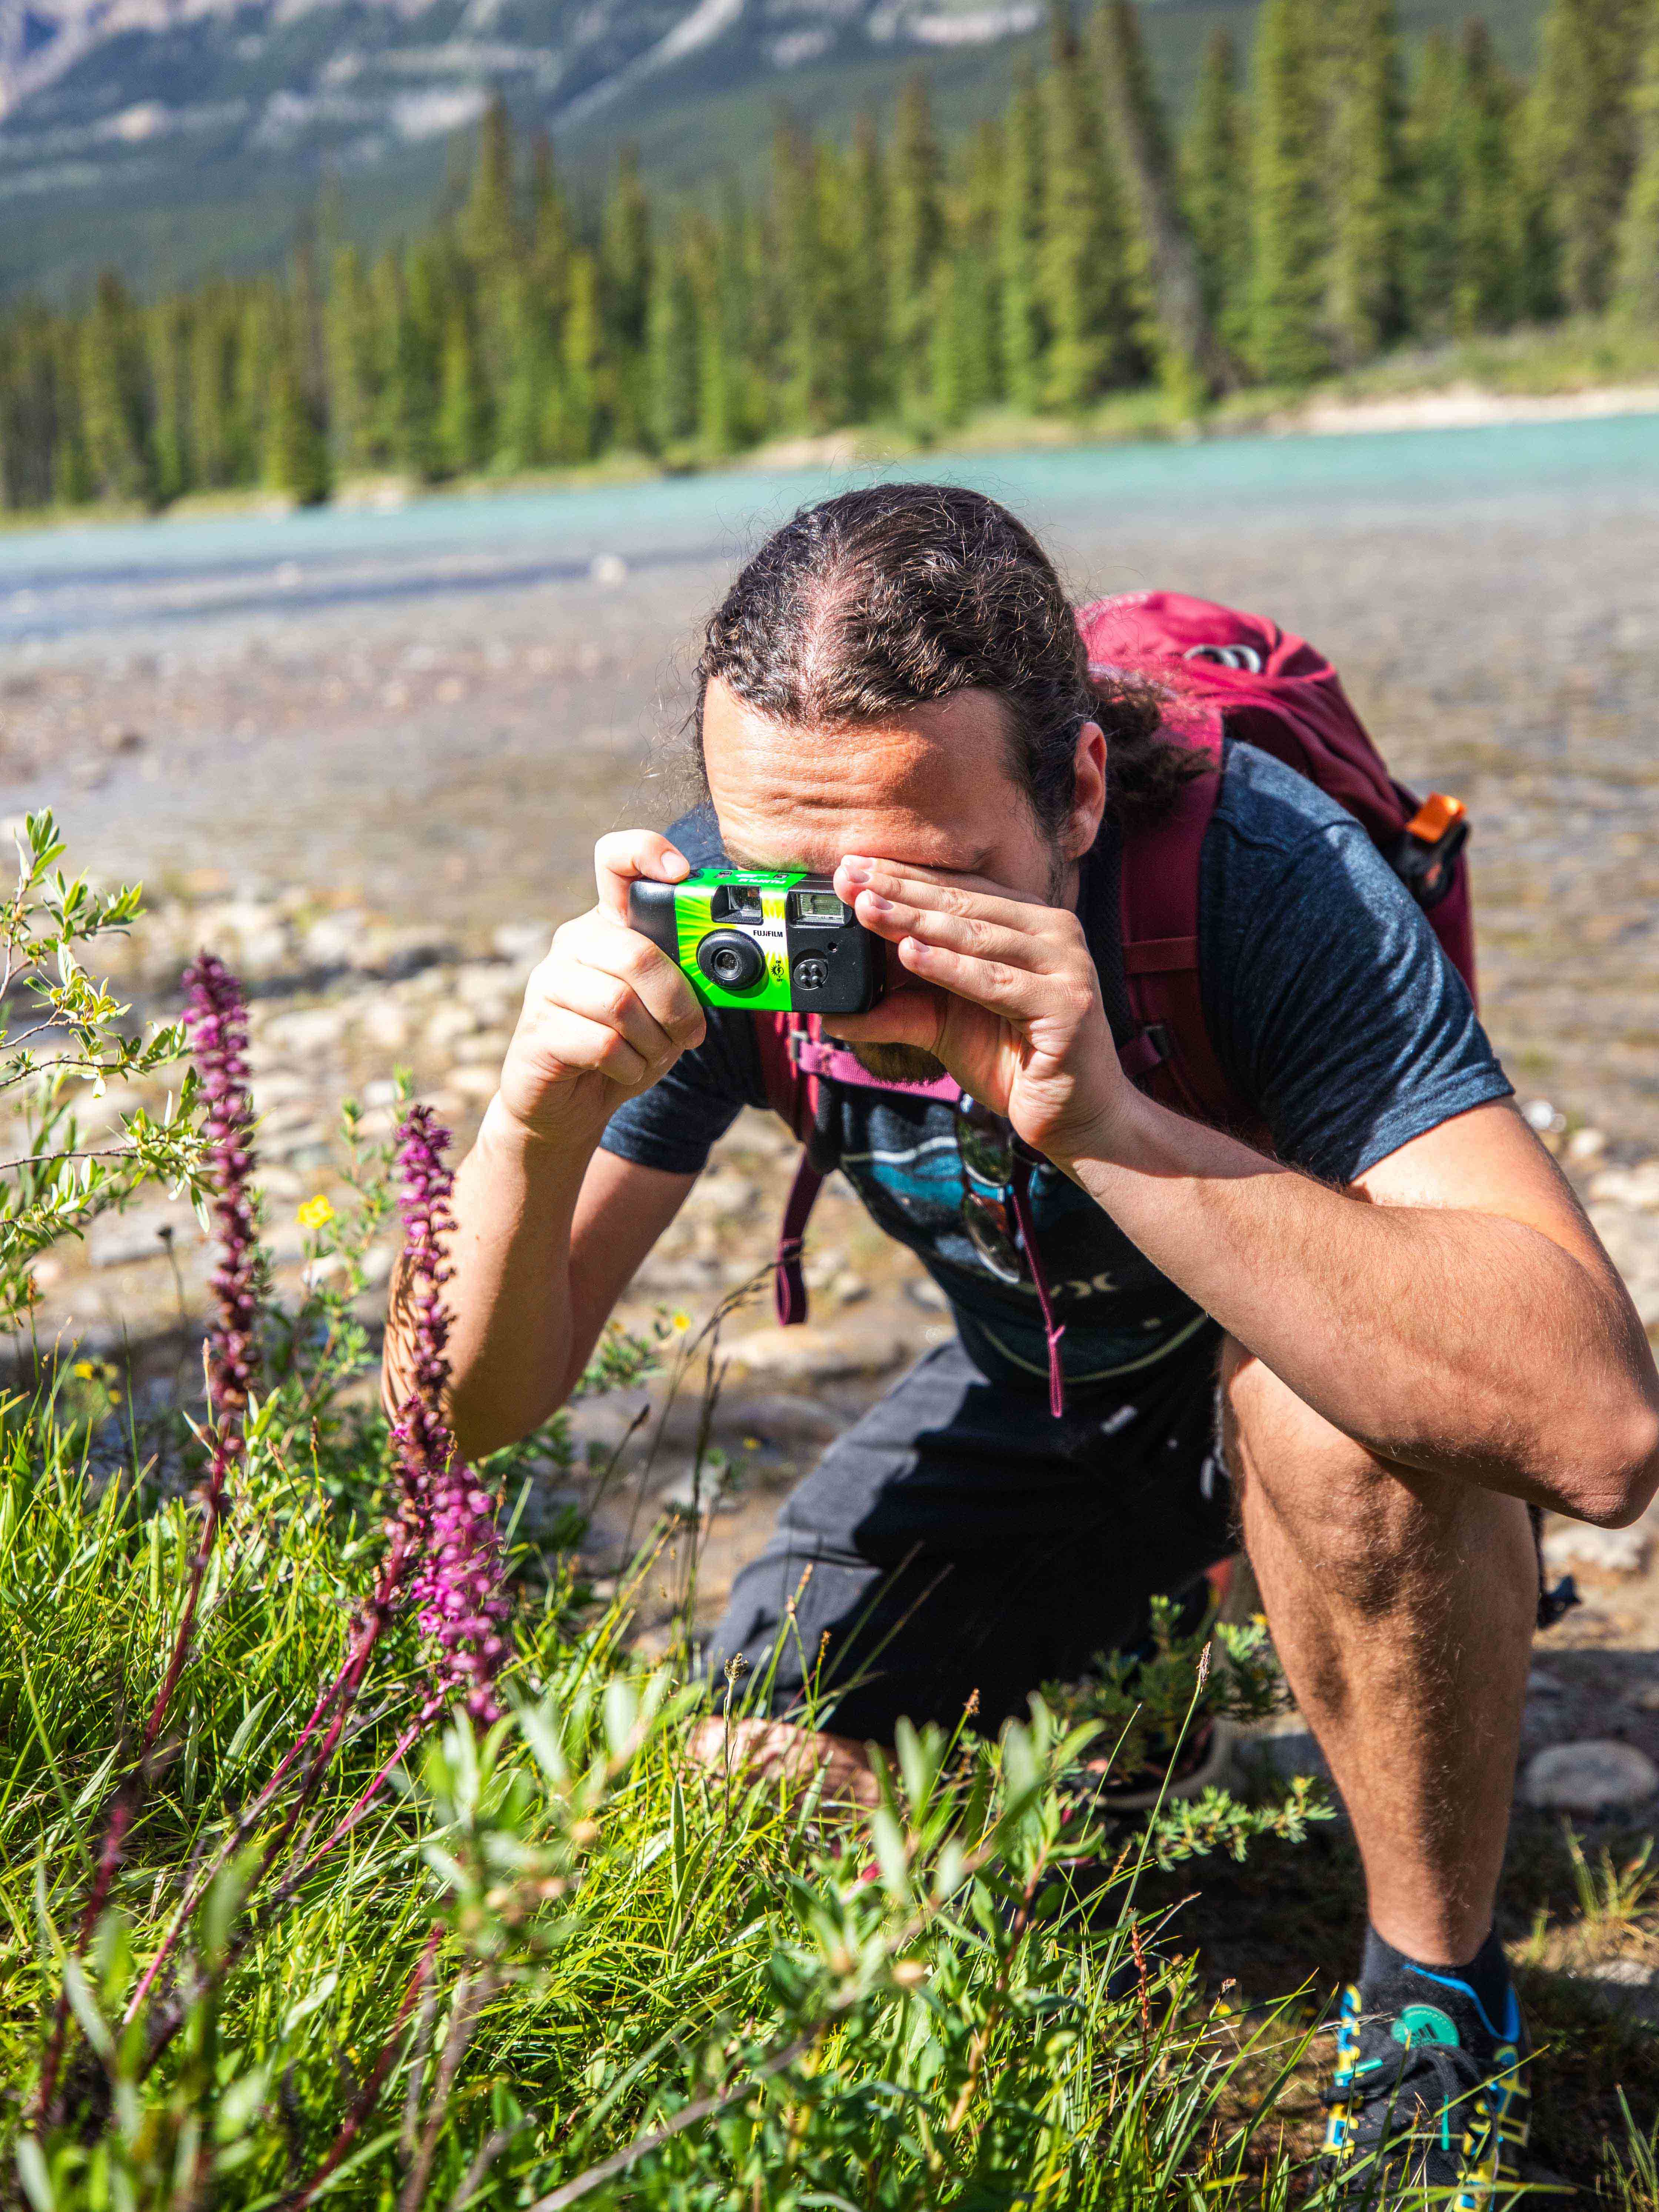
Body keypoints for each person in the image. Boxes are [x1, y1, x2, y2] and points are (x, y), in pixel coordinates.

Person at [384, 485, 1659, 2197]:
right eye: (793, 887)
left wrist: (1102, 1117)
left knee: (1332, 1430)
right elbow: (453, 1424)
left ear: (1070, 788)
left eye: (928, 885)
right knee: (748, 1792)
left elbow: (1597, 1431)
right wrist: (535, 1120)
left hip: (1295, 1374)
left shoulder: (1259, 877)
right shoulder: (721, 915)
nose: (850, 951)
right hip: (1038, 1387)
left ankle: (1431, 1989)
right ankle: (1162, 1685)